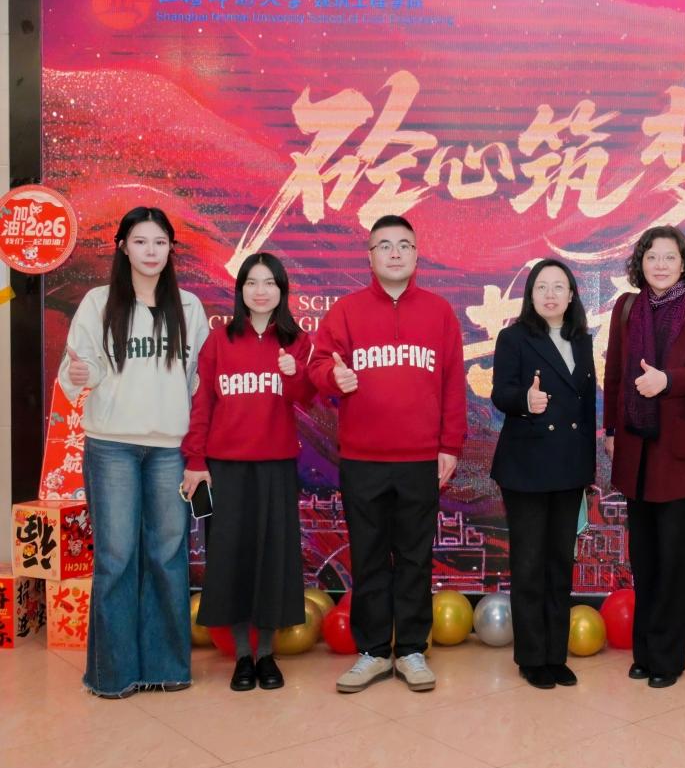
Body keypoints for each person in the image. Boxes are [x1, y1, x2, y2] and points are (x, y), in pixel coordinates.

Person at [308, 214, 466, 694]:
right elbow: (318, 365)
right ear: (370, 256)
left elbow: (452, 383)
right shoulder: (347, 311)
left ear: (416, 255)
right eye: (384, 246)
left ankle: (413, 649)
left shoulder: (439, 312)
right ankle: (374, 652)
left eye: (404, 245)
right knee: (370, 556)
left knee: (416, 556)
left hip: (420, 459)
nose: (395, 253)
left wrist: (450, 445)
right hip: (363, 459)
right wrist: (333, 378)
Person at [58, 206, 210, 698]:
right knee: (116, 557)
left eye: (160, 242)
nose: (151, 251)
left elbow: (200, 381)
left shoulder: (188, 307)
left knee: (167, 556)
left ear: (171, 249)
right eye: (141, 241)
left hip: (169, 448)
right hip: (112, 447)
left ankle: (167, 667)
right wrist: (79, 374)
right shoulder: (98, 302)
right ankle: (113, 674)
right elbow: (79, 368)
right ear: (123, 246)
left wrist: (199, 451)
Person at [180, 252, 314, 692]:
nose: (261, 291)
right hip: (226, 468)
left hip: (276, 466)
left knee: (274, 557)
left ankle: (267, 654)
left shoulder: (296, 340)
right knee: (231, 557)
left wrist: (295, 374)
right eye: (252, 282)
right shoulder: (220, 340)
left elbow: (306, 398)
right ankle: (242, 655)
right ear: (240, 291)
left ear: (282, 290)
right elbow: (203, 402)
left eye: (269, 282)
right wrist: (196, 460)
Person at [603, 225, 685, 689]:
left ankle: (668, 659)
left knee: (674, 562)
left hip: (681, 456)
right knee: (645, 560)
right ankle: (645, 653)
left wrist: (666, 382)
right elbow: (614, 373)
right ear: (640, 262)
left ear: (684, 263)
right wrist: (611, 430)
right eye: (652, 256)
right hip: (636, 449)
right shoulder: (626, 307)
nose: (660, 264)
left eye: (669, 257)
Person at [490, 259, 596, 690]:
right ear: (530, 295)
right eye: (541, 287)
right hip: (526, 468)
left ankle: (556, 654)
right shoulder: (514, 337)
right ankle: (532, 658)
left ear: (571, 295)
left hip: (569, 469)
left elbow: (586, 410)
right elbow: (500, 392)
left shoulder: (582, 341)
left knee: (560, 564)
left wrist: (587, 468)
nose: (550, 295)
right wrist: (524, 401)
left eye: (558, 287)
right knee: (530, 564)